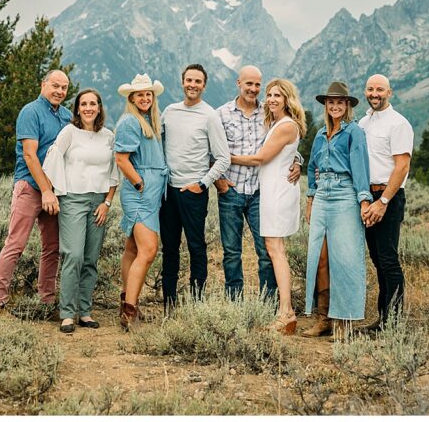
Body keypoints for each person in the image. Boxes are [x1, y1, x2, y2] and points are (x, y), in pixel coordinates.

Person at [0, 70, 73, 315]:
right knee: (15, 244)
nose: (59, 91)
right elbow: (29, 154)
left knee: (52, 247)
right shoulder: (30, 112)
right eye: (55, 85)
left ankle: (46, 301)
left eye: (64, 87)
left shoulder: (67, 116)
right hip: (30, 187)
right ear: (43, 85)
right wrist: (46, 190)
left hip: (55, 191)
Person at [216, 65, 300, 301]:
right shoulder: (221, 114)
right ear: (238, 83)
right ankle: (234, 302)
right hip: (230, 190)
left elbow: (288, 141)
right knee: (232, 252)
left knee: (265, 251)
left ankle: (268, 303)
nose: (253, 89)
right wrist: (219, 181)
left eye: (257, 85)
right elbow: (210, 149)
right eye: (248, 84)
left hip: (260, 193)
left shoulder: (269, 113)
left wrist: (298, 161)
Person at [42, 89, 119, 333]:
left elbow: (114, 172)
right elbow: (52, 158)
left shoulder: (108, 136)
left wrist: (107, 202)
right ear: (77, 108)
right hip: (73, 200)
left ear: (99, 108)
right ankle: (67, 313)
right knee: (73, 255)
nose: (88, 108)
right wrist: (54, 190)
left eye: (92, 104)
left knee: (90, 259)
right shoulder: (69, 132)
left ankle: (84, 312)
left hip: (98, 202)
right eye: (83, 104)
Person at [159, 64, 231, 311]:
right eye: (189, 80)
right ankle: (169, 303)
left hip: (193, 194)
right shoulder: (169, 111)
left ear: (204, 85)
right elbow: (155, 140)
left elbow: (223, 158)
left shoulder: (209, 115)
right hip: (168, 191)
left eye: (198, 81)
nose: (193, 84)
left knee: (196, 247)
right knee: (169, 248)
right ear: (182, 82)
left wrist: (202, 184)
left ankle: (196, 304)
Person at [237, 78, 306, 333]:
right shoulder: (277, 124)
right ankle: (284, 310)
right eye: (269, 95)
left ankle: (286, 312)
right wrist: (297, 159)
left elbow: (261, 158)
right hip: (272, 191)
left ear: (288, 99)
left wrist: (225, 158)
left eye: (278, 95)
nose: (272, 99)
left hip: (278, 193)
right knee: (274, 249)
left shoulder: (285, 125)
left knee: (276, 250)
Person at [303, 81, 371, 338]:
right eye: (331, 102)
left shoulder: (355, 133)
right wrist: (310, 199)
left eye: (340, 102)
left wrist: (363, 200)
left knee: (344, 258)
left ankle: (344, 320)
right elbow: (311, 168)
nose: (335, 106)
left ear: (347, 105)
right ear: (326, 105)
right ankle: (324, 318)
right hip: (322, 195)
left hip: (345, 195)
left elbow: (360, 167)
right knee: (319, 258)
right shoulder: (320, 134)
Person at [359, 74, 414, 330]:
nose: (375, 94)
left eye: (380, 89)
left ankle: (393, 322)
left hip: (387, 198)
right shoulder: (363, 122)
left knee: (389, 259)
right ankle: (383, 318)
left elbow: (402, 167)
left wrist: (383, 201)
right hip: (367, 198)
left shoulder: (398, 124)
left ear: (389, 93)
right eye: (370, 89)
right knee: (378, 258)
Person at [114, 73, 169, 330]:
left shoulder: (148, 120)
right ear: (132, 98)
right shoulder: (129, 122)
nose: (145, 98)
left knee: (133, 249)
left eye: (149, 94)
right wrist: (139, 184)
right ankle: (130, 311)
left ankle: (127, 298)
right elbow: (122, 160)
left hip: (150, 194)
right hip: (140, 194)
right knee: (148, 250)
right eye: (140, 94)